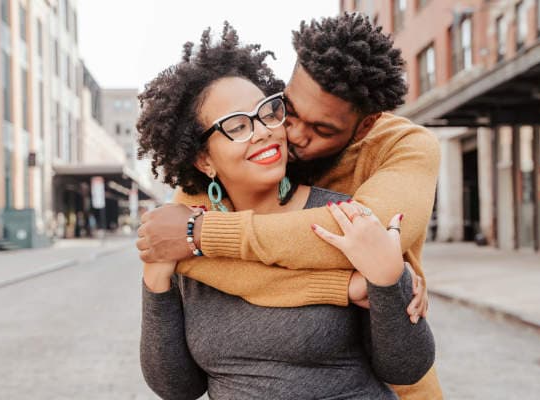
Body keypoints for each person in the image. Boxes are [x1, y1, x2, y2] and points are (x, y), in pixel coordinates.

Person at [137, 13, 442, 399]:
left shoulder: (405, 148)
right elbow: (175, 246)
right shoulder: (233, 164)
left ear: (363, 127)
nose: (289, 135)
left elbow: (366, 235)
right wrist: (343, 285)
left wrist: (202, 235)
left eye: (321, 130)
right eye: (288, 110)